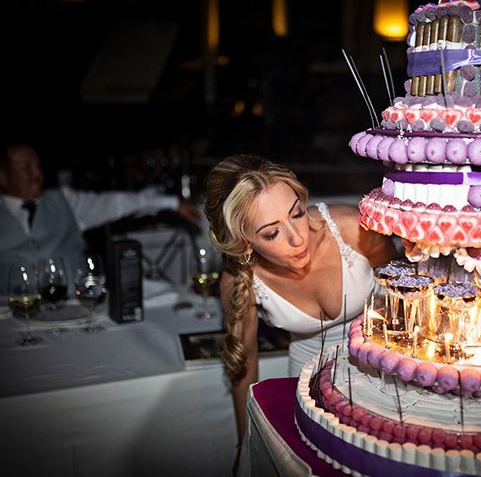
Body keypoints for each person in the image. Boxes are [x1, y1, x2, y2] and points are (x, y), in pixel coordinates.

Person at [203, 154, 397, 448]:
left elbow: (406, 301)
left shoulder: (353, 229)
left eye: (297, 213)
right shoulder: (240, 282)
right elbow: (245, 367)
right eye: (272, 233)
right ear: (244, 244)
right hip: (307, 381)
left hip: (383, 368)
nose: (298, 238)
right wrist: (245, 445)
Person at [0, 141, 201, 294]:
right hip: (10, 314)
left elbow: (118, 203)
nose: (36, 173)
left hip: (72, 305)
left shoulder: (64, 201)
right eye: (26, 167)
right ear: (3, 176)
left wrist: (172, 203)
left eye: (37, 165)